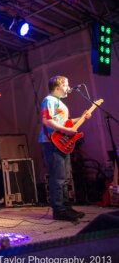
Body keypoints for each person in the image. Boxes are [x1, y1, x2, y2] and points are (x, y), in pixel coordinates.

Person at [39, 76, 89, 222]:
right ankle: (59, 210)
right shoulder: (49, 100)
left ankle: (66, 207)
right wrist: (67, 131)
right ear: (59, 86)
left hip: (60, 141)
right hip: (51, 142)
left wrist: (81, 118)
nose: (68, 87)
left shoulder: (59, 102)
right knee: (59, 177)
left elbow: (64, 122)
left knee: (65, 177)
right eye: (67, 84)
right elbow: (46, 120)